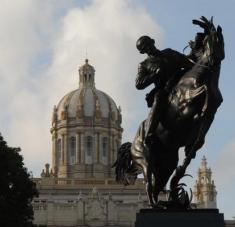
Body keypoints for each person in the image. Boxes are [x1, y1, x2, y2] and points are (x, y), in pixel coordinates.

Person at [136, 35, 193, 146]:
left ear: (153, 42)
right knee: (158, 100)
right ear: (142, 52)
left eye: (148, 45)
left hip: (180, 85)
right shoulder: (144, 65)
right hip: (163, 90)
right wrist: (154, 75)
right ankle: (150, 132)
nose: (148, 49)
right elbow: (139, 84)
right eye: (144, 49)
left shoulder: (169, 53)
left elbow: (188, 63)